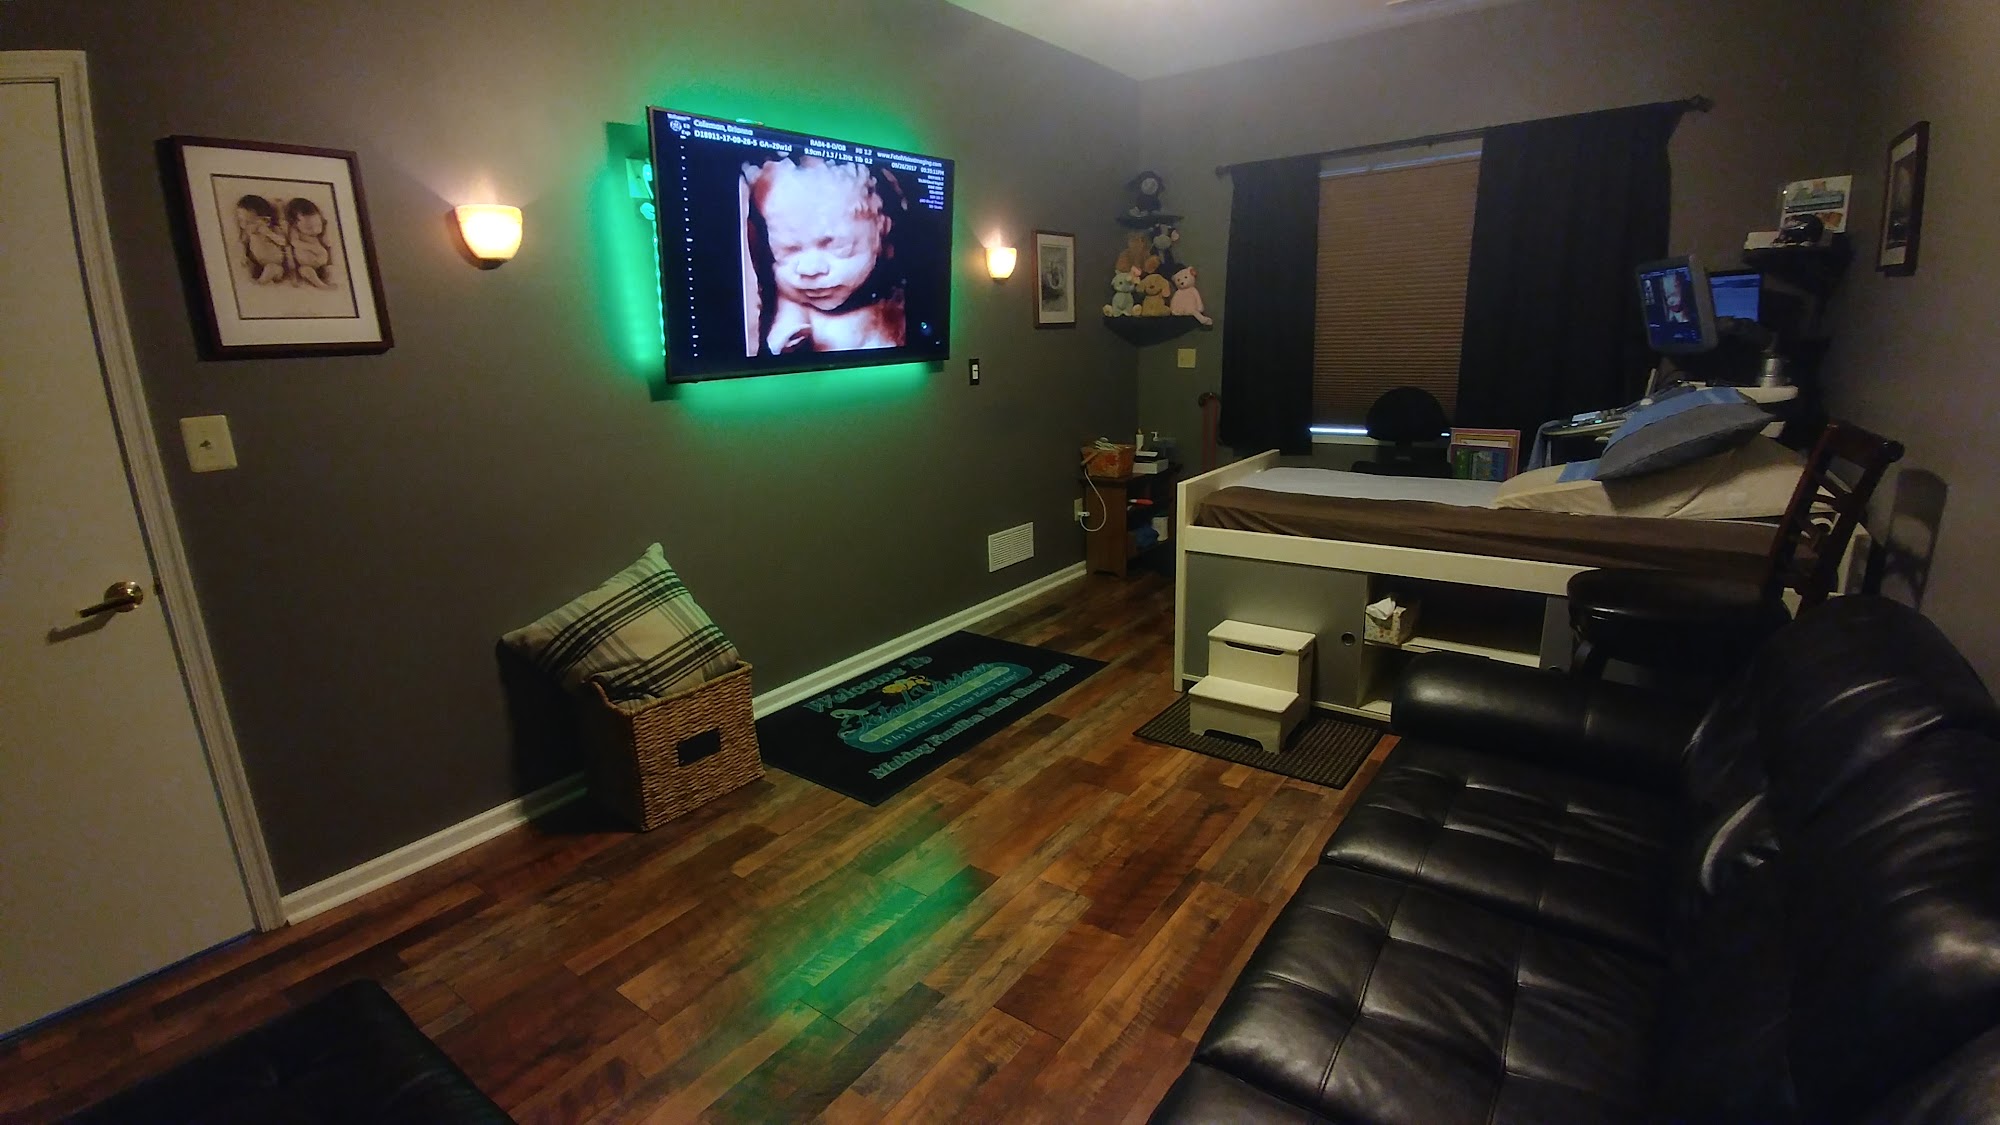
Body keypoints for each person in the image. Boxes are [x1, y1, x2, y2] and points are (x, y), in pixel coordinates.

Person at [740, 155, 907, 355]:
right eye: (786, 250)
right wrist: (787, 342)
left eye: (839, 247)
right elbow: (779, 335)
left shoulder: (898, 291)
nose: (810, 269)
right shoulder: (792, 303)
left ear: (882, 226)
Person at [283, 197, 336, 289]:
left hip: (321, 264)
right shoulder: (295, 231)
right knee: (306, 271)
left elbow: (327, 243)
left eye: (318, 225)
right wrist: (311, 247)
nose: (315, 230)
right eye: (308, 228)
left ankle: (327, 280)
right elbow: (294, 242)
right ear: (295, 224)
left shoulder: (320, 233)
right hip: (306, 264)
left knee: (329, 270)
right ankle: (320, 285)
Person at [235, 194, 288, 284]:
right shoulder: (248, 232)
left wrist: (269, 234)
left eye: (250, 222)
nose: (244, 225)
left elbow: (284, 242)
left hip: (275, 264)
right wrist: (243, 255)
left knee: (271, 268)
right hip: (257, 262)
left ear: (265, 221)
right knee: (249, 265)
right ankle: (255, 279)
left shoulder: (273, 229)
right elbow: (242, 243)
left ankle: (261, 282)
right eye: (241, 220)